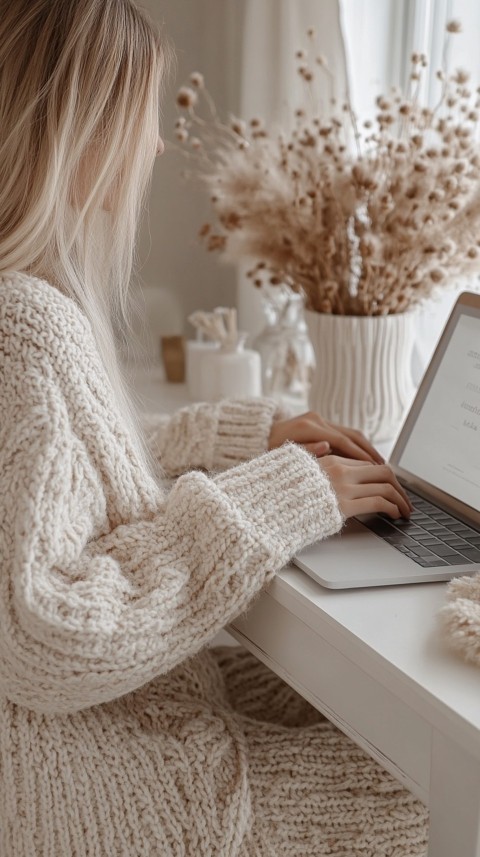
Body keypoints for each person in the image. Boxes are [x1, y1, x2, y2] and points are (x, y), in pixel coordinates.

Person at [0, 1, 428, 854]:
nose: (158, 144)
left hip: (107, 727)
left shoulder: (24, 300)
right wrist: (285, 496)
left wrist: (252, 436)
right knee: (434, 786)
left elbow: (81, 466)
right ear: (83, 126)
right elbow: (45, 631)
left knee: (359, 709)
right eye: (145, 116)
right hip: (102, 778)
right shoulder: (23, 325)